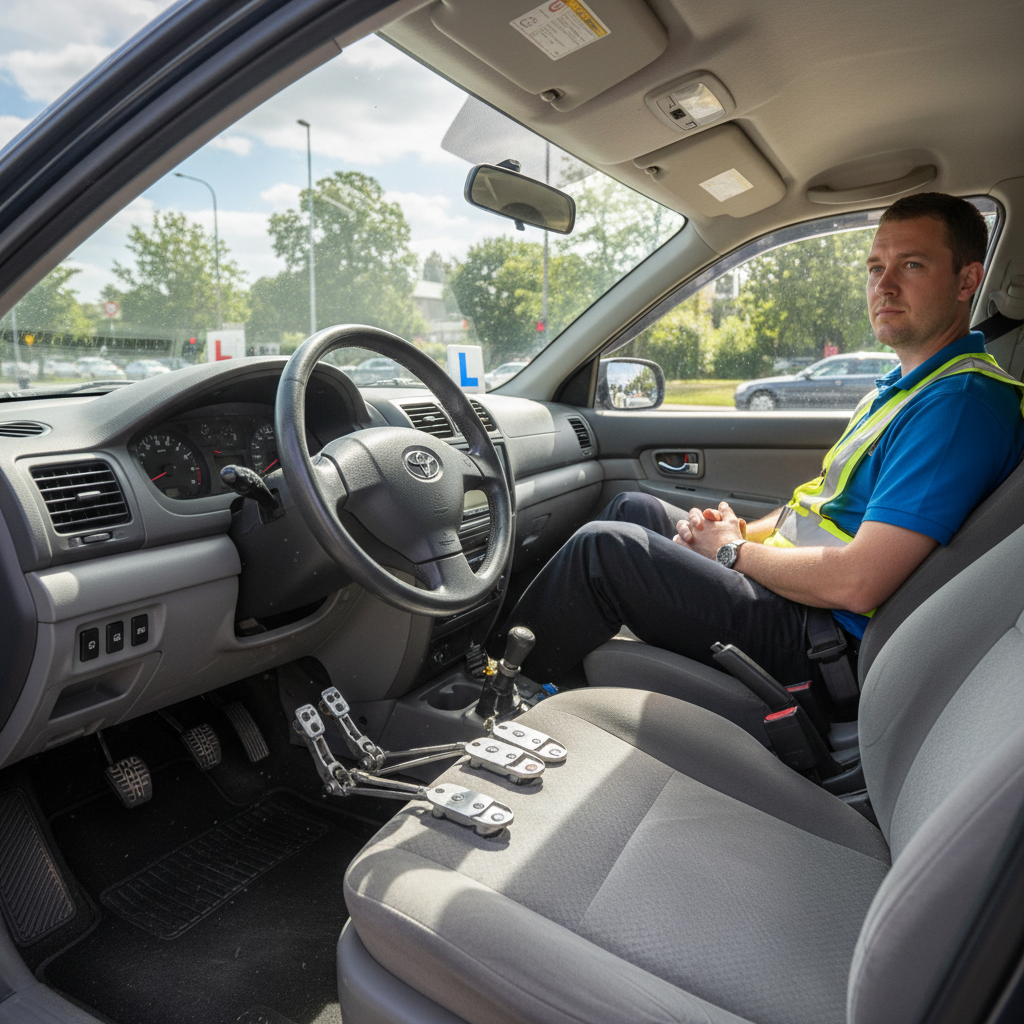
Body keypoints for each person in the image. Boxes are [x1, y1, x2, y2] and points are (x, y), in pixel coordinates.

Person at [492, 193, 1024, 700]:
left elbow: (860, 583)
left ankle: (490, 691)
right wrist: (737, 530)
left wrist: (731, 552)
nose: (883, 285)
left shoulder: (960, 404)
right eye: (873, 267)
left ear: (966, 281)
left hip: (825, 641)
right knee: (634, 507)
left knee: (605, 550)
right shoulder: (909, 387)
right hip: (805, 601)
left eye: (911, 265)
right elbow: (815, 510)